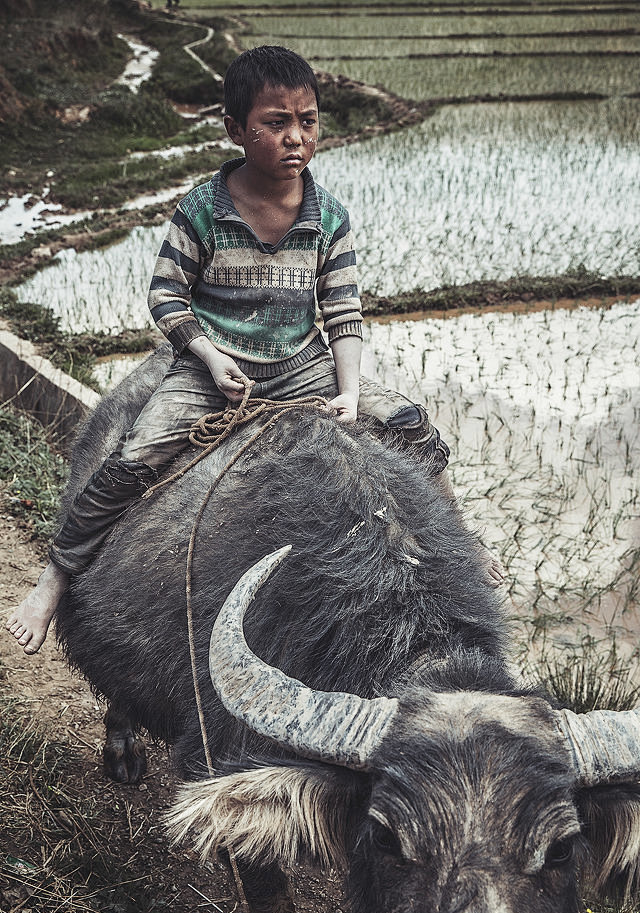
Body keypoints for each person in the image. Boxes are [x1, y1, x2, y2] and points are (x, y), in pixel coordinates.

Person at [6, 46, 503, 656]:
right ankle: (55, 576)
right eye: (275, 123)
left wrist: (347, 393)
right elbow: (166, 297)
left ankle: (462, 551)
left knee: (412, 427)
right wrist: (211, 357)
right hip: (210, 367)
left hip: (302, 366)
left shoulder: (330, 219)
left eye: (309, 121)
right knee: (132, 458)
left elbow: (343, 313)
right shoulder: (200, 211)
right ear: (235, 130)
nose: (296, 137)